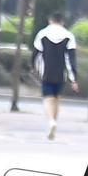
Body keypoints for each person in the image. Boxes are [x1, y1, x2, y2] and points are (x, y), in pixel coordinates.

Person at [30, 12, 78, 140]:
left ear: (50, 21)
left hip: (46, 73)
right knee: (56, 99)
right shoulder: (69, 36)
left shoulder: (42, 34)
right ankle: (54, 124)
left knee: (47, 98)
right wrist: (74, 79)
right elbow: (70, 59)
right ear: (62, 22)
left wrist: (34, 69)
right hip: (61, 74)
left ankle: (51, 121)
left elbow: (36, 55)